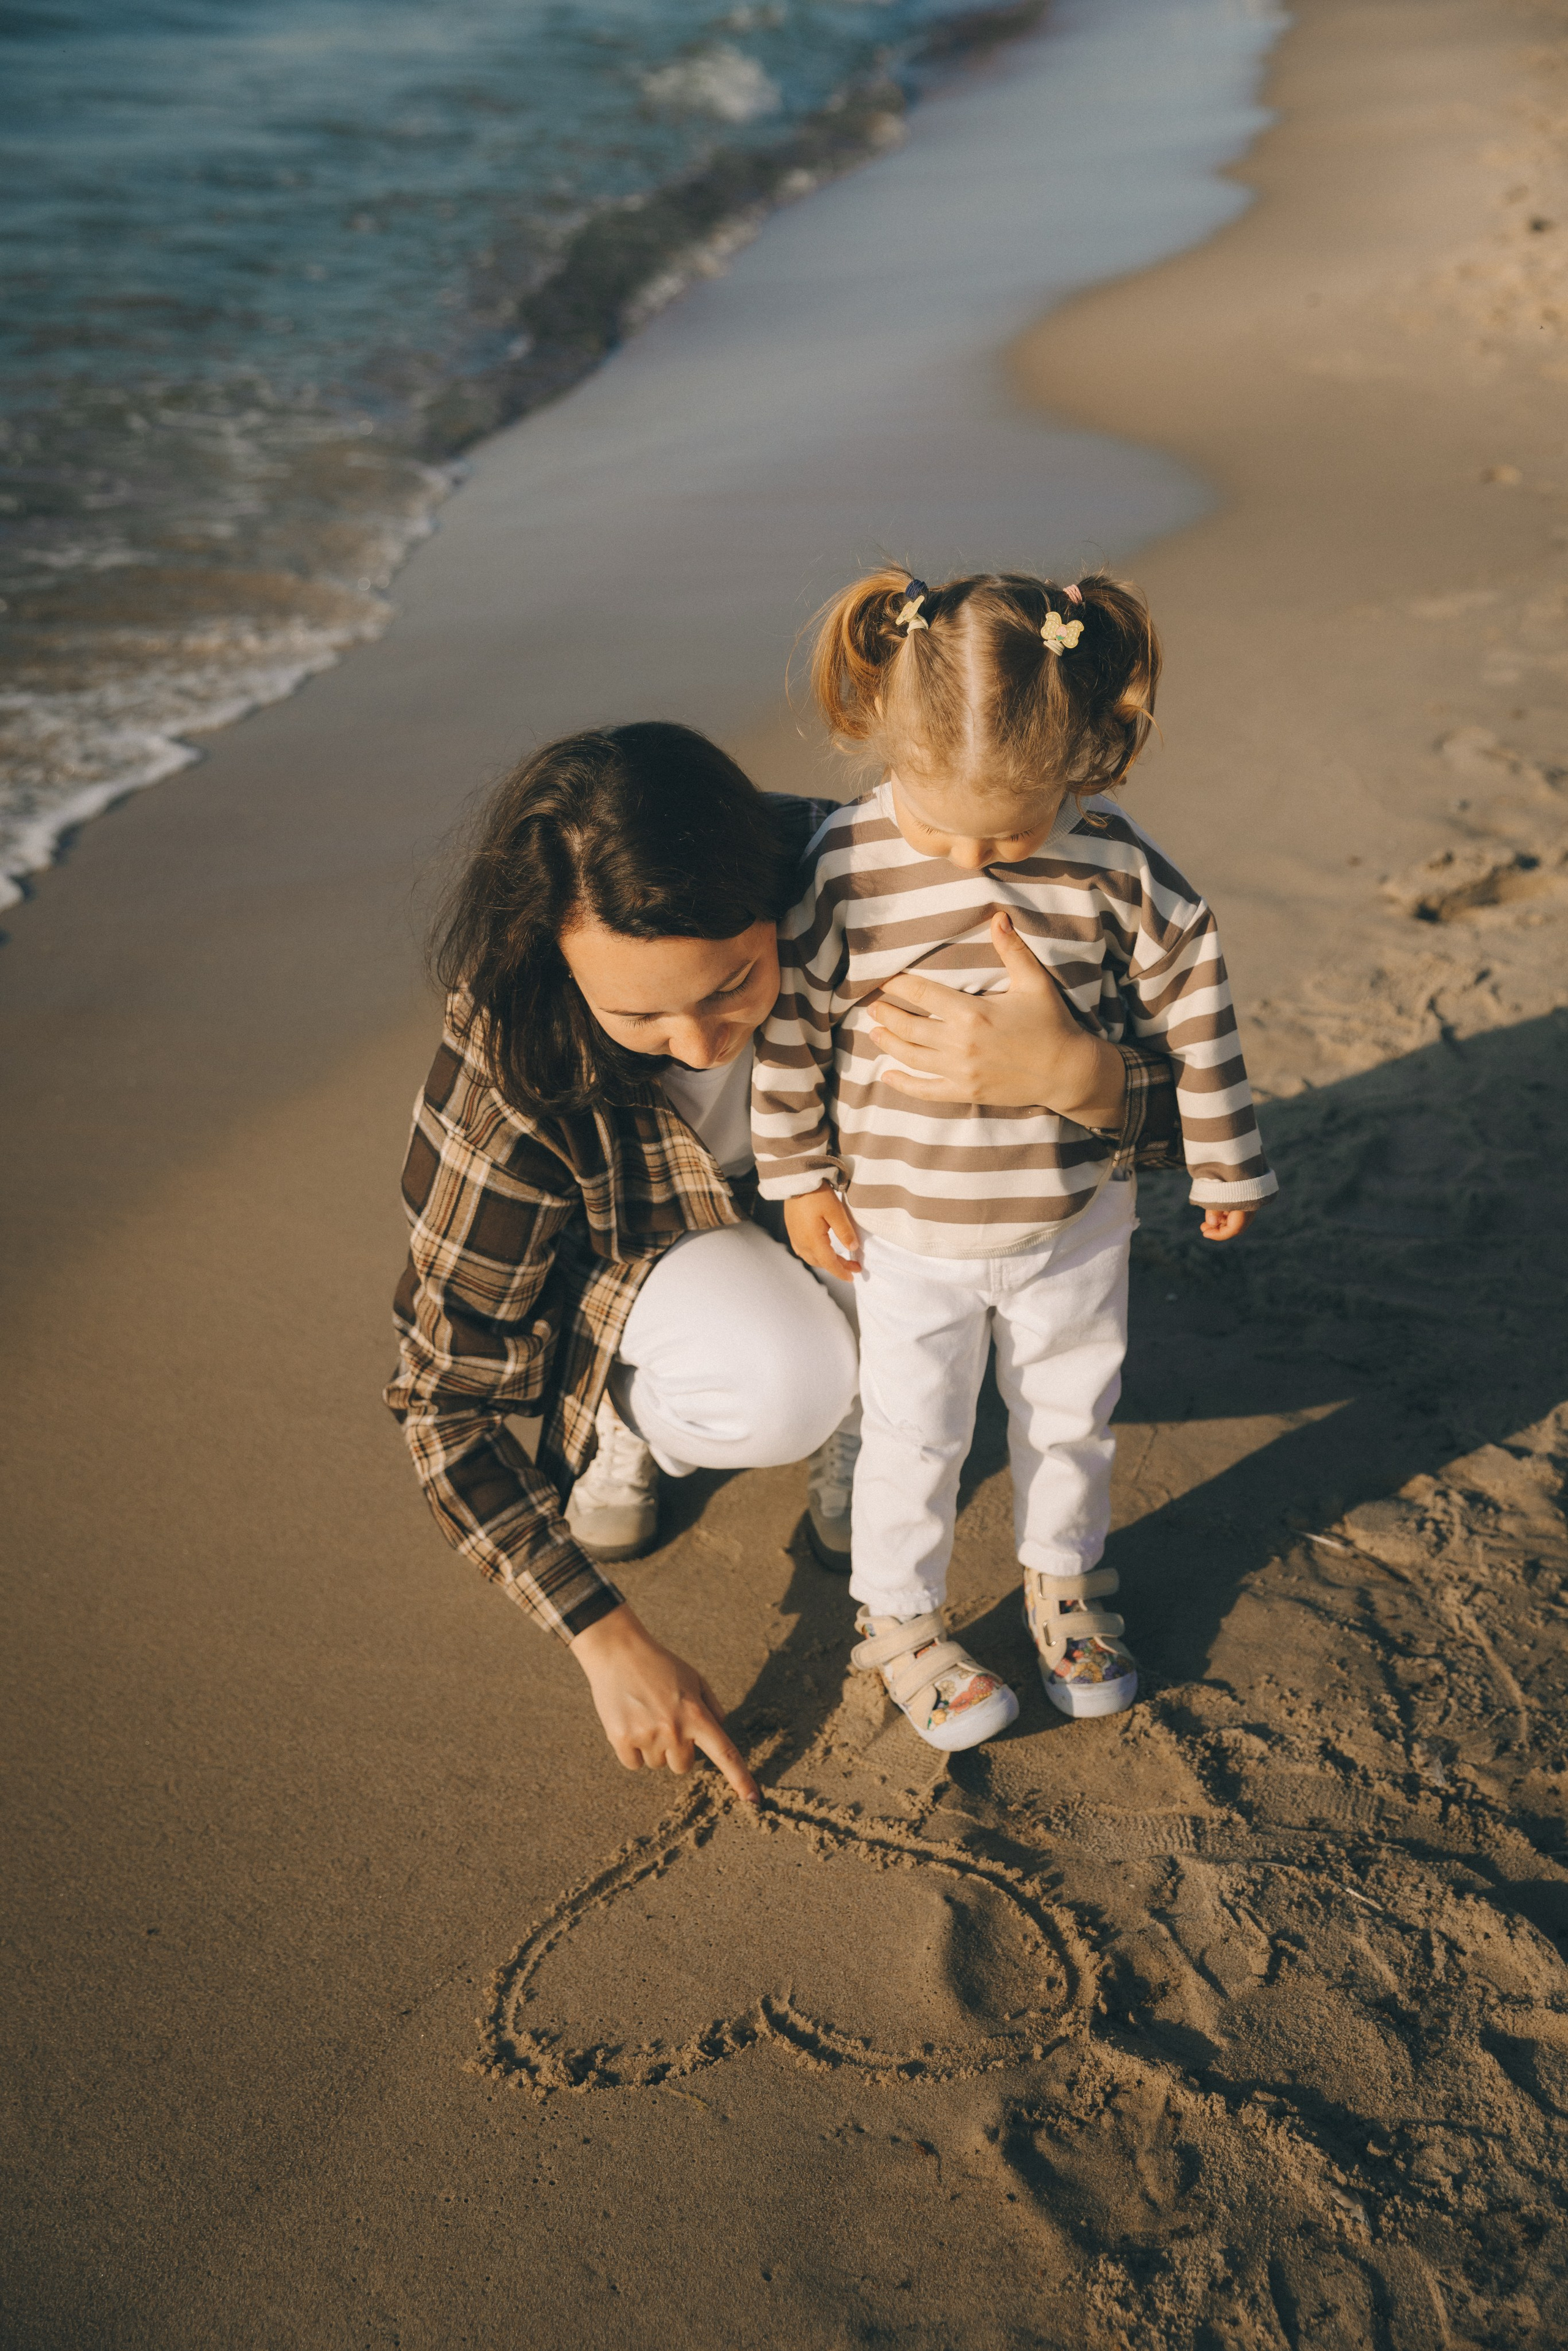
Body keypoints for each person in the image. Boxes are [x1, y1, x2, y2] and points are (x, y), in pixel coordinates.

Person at [386, 719, 1185, 1803]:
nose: (700, 1043)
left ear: (776, 900)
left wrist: (1072, 1072)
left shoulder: (879, 876)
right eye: (638, 1013)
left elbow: (1187, 1101)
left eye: (732, 985)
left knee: (918, 1333)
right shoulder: (513, 1046)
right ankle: (629, 1406)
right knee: (789, 1383)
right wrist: (606, 1640)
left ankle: (866, 1390)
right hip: (647, 1252)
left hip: (865, 1205)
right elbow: (442, 1399)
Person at [752, 568, 1276, 1750]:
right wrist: (796, 1175)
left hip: (1076, 1216)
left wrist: (1225, 1158)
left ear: (1079, 763)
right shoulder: (845, 864)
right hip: (904, 1229)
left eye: (1012, 828)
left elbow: (1196, 995)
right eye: (942, 826)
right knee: (914, 1432)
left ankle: (1065, 1583)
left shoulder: (1112, 864)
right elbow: (793, 1023)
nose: (976, 855)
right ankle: (899, 1617)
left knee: (1071, 1414)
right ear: (888, 744)